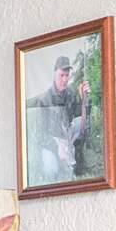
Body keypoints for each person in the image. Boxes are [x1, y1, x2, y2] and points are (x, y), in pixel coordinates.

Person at [26, 53, 91, 182]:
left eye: (67, 75)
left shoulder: (71, 94)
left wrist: (84, 98)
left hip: (67, 136)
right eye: (62, 75)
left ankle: (79, 160)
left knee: (81, 124)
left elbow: (81, 116)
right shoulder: (44, 100)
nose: (65, 79)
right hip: (51, 141)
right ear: (54, 74)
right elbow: (40, 135)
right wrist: (57, 147)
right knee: (51, 169)